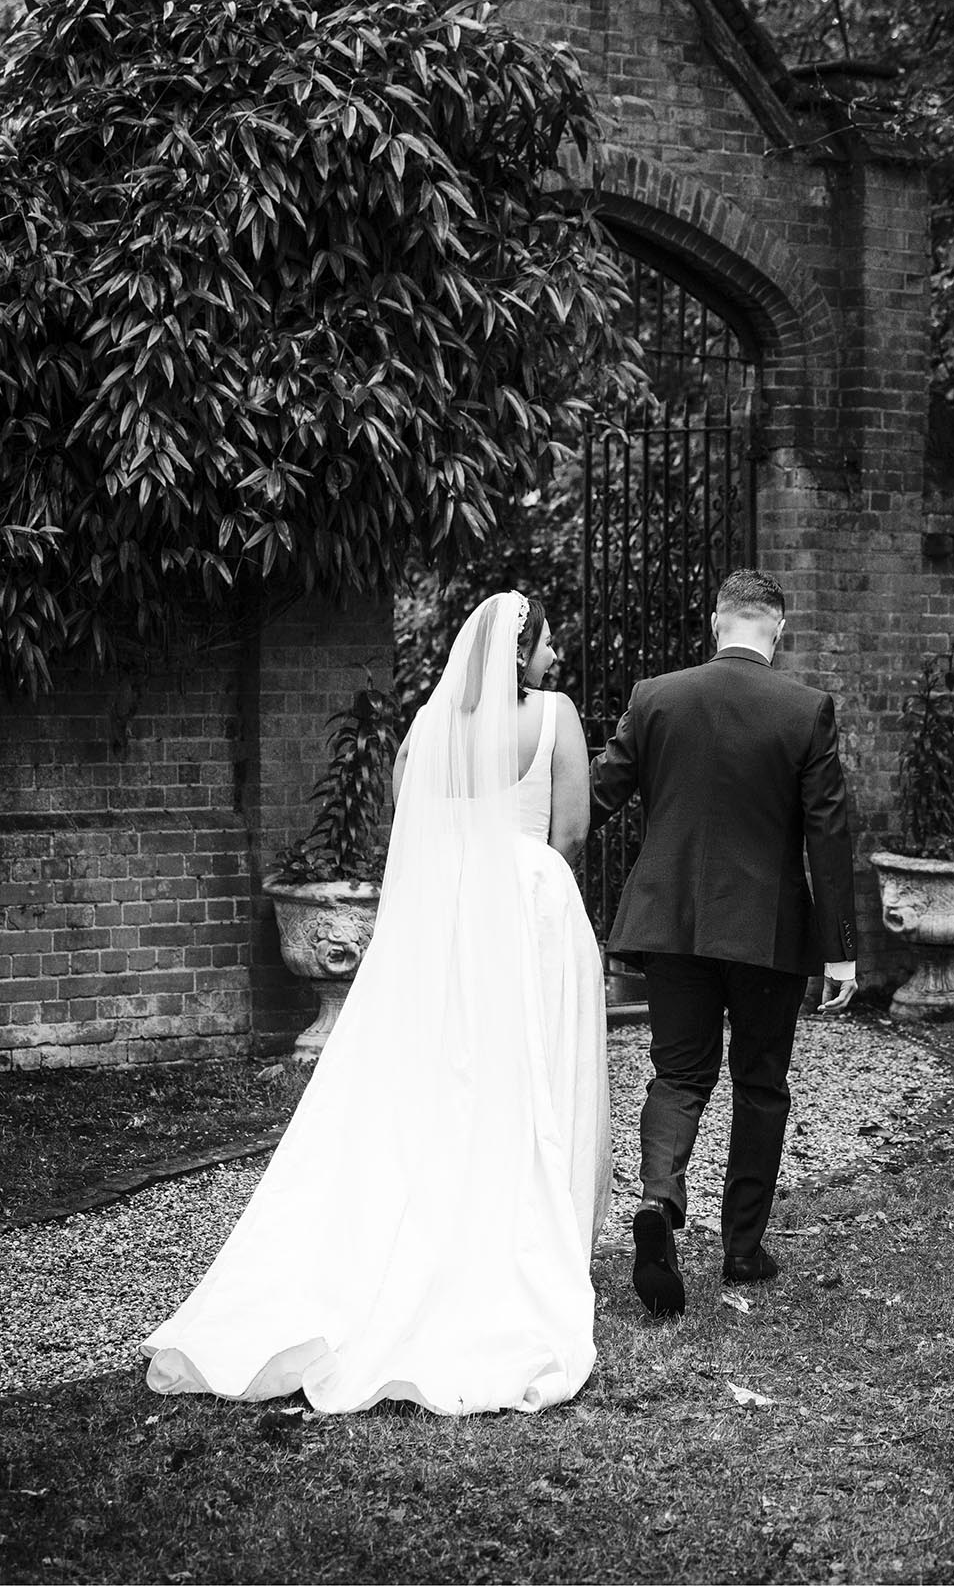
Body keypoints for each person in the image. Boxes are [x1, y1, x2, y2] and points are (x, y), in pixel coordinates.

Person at [143, 592, 611, 1414]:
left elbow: (416, 833)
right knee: (528, 1069)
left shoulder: (428, 731)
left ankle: (427, 1226)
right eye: (547, 646)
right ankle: (522, 1240)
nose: (556, 658)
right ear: (517, 653)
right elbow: (568, 833)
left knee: (441, 1077)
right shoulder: (557, 716)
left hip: (444, 919)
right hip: (530, 910)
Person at [589, 568, 857, 1319]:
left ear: (716, 622)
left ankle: (658, 1200)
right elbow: (828, 834)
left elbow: (599, 797)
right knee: (761, 1083)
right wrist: (840, 948)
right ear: (780, 629)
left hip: (671, 925)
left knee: (678, 1076)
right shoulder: (806, 710)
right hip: (766, 933)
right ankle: (742, 1250)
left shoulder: (656, 698)